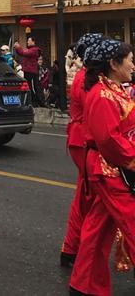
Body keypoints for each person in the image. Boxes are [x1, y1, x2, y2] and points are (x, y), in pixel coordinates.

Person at [69, 39, 135, 295]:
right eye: (129, 59)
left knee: (98, 228)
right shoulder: (102, 94)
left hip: (111, 166)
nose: (132, 64)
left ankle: (84, 284)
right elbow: (109, 140)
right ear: (113, 63)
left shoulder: (115, 89)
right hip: (109, 169)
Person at [60, 33, 103, 268]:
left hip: (84, 140)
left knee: (85, 197)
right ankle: (83, 252)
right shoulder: (87, 78)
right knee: (93, 198)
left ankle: (72, 248)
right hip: (85, 141)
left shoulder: (88, 76)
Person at [14, 37, 44, 106]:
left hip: (31, 72)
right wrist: (17, 48)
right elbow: (22, 53)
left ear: (33, 42)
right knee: (30, 87)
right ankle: (34, 101)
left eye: (29, 40)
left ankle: (38, 102)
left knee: (33, 87)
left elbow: (24, 53)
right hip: (28, 71)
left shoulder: (34, 50)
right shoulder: (31, 50)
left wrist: (18, 47)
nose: (27, 42)